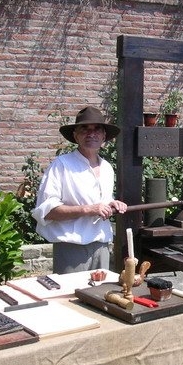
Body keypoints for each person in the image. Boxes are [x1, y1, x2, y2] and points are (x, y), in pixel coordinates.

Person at [32, 106, 127, 274]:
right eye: (85, 129)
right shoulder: (61, 165)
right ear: (76, 136)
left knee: (102, 291)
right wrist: (87, 209)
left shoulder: (107, 168)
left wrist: (112, 204)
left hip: (102, 247)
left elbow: (101, 202)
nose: (91, 133)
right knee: (71, 292)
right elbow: (46, 211)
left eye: (97, 129)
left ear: (104, 136)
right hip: (71, 250)